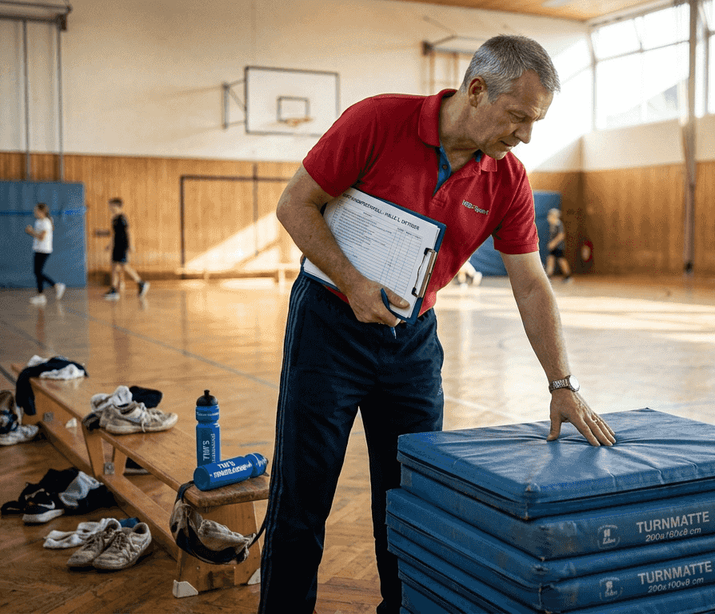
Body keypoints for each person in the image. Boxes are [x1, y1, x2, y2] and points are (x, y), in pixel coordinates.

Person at [259, 34, 616, 614]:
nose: (525, 135)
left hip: (412, 342)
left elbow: (531, 283)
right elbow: (294, 204)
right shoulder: (378, 121)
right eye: (518, 116)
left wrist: (562, 383)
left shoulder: (509, 179)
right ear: (476, 91)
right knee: (303, 497)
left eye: (535, 122)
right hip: (328, 324)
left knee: (412, 499)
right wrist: (353, 282)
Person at [103, 198, 149, 300]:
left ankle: (141, 283)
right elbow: (114, 234)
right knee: (114, 266)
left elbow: (128, 231)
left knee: (124, 266)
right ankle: (114, 290)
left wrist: (131, 245)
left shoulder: (122, 217)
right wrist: (109, 245)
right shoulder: (114, 218)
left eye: (111, 205)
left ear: (116, 206)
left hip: (122, 245)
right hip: (116, 245)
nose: (110, 208)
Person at [25, 203, 66, 305]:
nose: (35, 212)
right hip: (38, 249)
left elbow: (41, 237)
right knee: (37, 273)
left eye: (36, 210)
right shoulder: (38, 221)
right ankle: (41, 295)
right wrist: (32, 232)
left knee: (38, 272)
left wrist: (31, 231)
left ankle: (56, 286)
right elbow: (38, 236)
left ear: (41, 212)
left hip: (44, 250)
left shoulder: (46, 222)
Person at [545, 207, 572, 282]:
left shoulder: (559, 224)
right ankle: (548, 276)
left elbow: (561, 235)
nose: (548, 217)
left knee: (561, 260)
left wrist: (553, 243)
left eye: (550, 215)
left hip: (559, 247)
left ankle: (568, 276)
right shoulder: (553, 225)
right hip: (554, 247)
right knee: (550, 259)